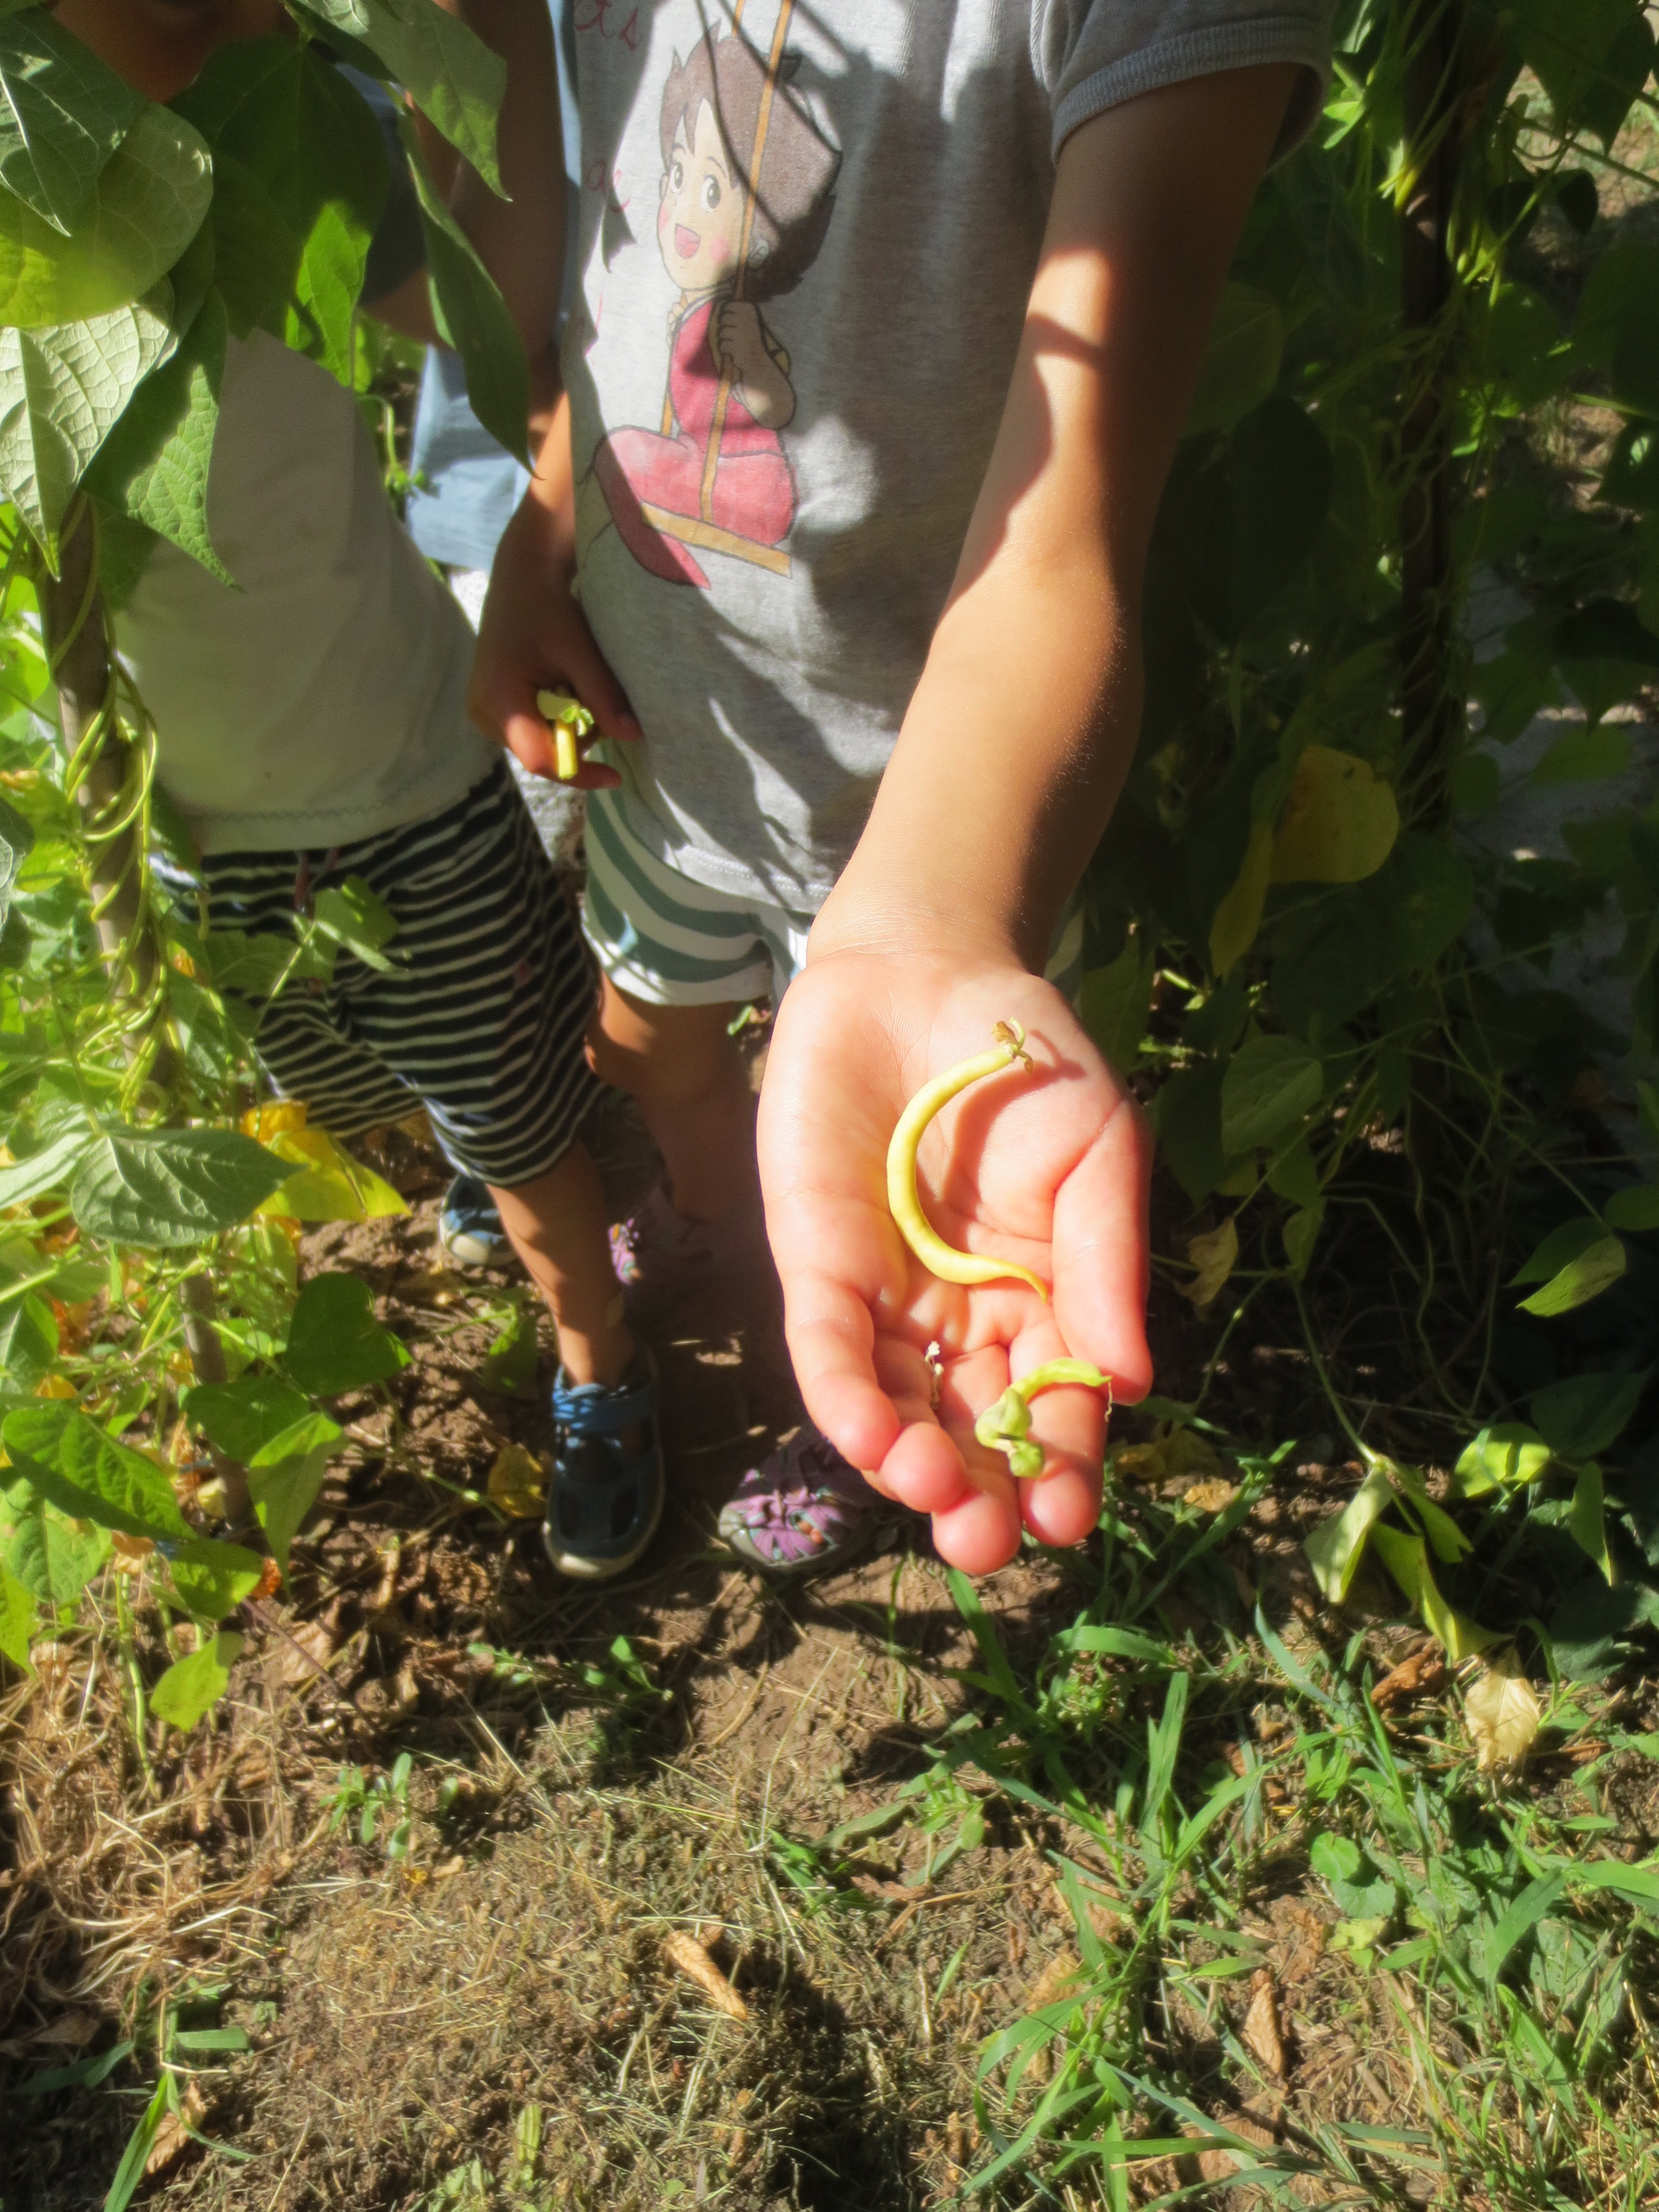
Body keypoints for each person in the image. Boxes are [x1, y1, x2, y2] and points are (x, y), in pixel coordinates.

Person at [470, 2, 1332, 1578]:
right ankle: (719, 1213)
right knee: (641, 1039)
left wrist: (929, 935)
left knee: (886, 1177)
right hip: (672, 745)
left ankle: (843, 1375)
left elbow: (1067, 540)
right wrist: (538, 542)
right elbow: (621, 293)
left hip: (924, 816)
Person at [56, 0, 664, 1580]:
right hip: (199, 845)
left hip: (407, 798)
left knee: (523, 1143)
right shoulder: (31, 289)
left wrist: (493, 35)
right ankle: (494, 1149)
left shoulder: (269, 163)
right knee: (355, 1100)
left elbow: (487, 285)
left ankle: (601, 1366)